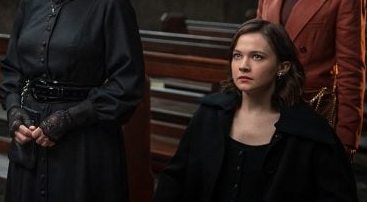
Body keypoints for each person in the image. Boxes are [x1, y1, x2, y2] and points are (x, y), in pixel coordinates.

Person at [0, 0, 145, 202]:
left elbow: (126, 84)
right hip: (31, 136)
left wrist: (67, 120)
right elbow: (12, 69)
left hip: (85, 141)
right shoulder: (31, 1)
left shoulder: (111, 3)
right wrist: (14, 112)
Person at [153, 19, 357, 201]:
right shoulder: (210, 114)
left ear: (282, 67)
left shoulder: (310, 131)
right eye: (237, 56)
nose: (243, 66)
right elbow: (175, 180)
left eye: (257, 57)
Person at [256, 0, 366, 157]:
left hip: (312, 109)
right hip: (266, 104)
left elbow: (351, 71)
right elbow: (256, 50)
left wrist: (346, 137)